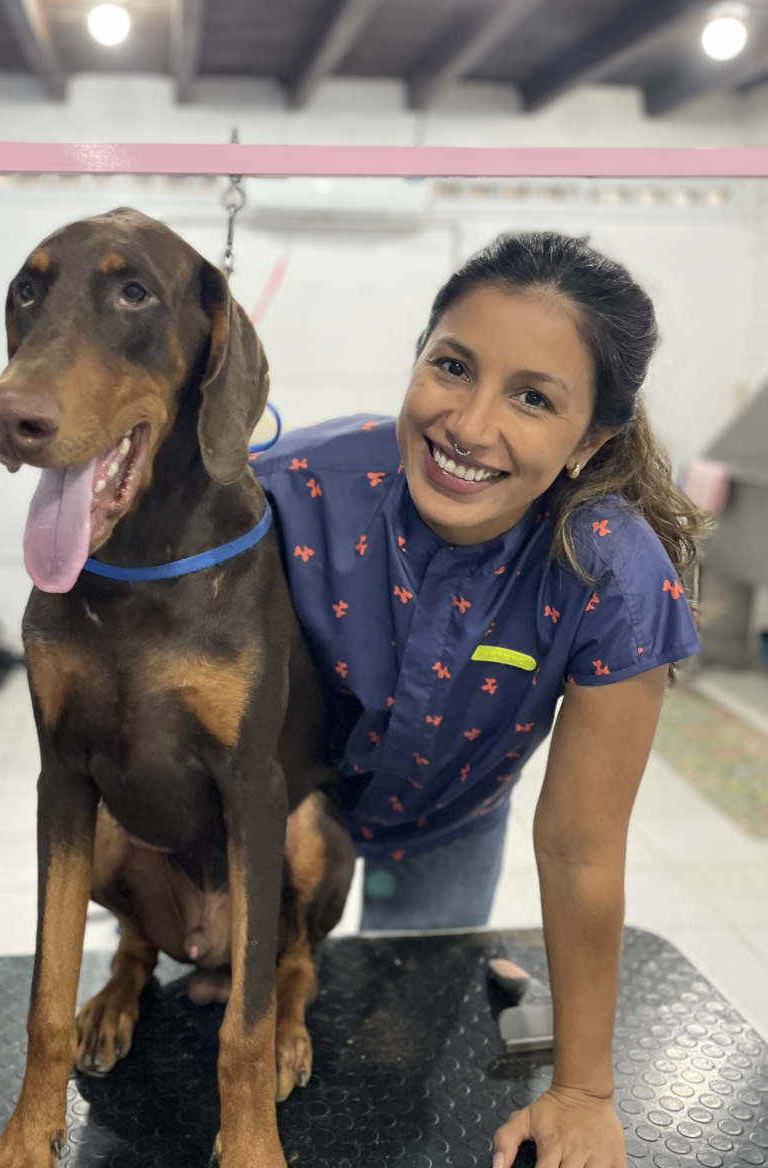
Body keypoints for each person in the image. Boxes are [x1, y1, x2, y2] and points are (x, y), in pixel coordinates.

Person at [253, 232, 707, 1168]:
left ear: (592, 440)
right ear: (417, 358)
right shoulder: (284, 490)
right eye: (451, 366)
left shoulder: (613, 575)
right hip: (277, 821)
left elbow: (580, 846)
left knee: (403, 1057)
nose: (467, 423)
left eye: (533, 398)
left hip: (450, 823)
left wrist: (583, 1092)